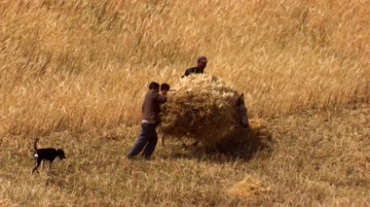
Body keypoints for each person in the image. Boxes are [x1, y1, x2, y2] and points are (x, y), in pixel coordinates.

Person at [127, 81, 169, 160]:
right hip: (149, 122)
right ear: (155, 88)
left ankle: (145, 156)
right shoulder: (152, 92)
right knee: (143, 138)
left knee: (153, 139)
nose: (158, 91)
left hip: (146, 121)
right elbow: (163, 99)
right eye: (158, 89)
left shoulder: (147, 96)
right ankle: (131, 155)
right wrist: (168, 95)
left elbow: (144, 108)